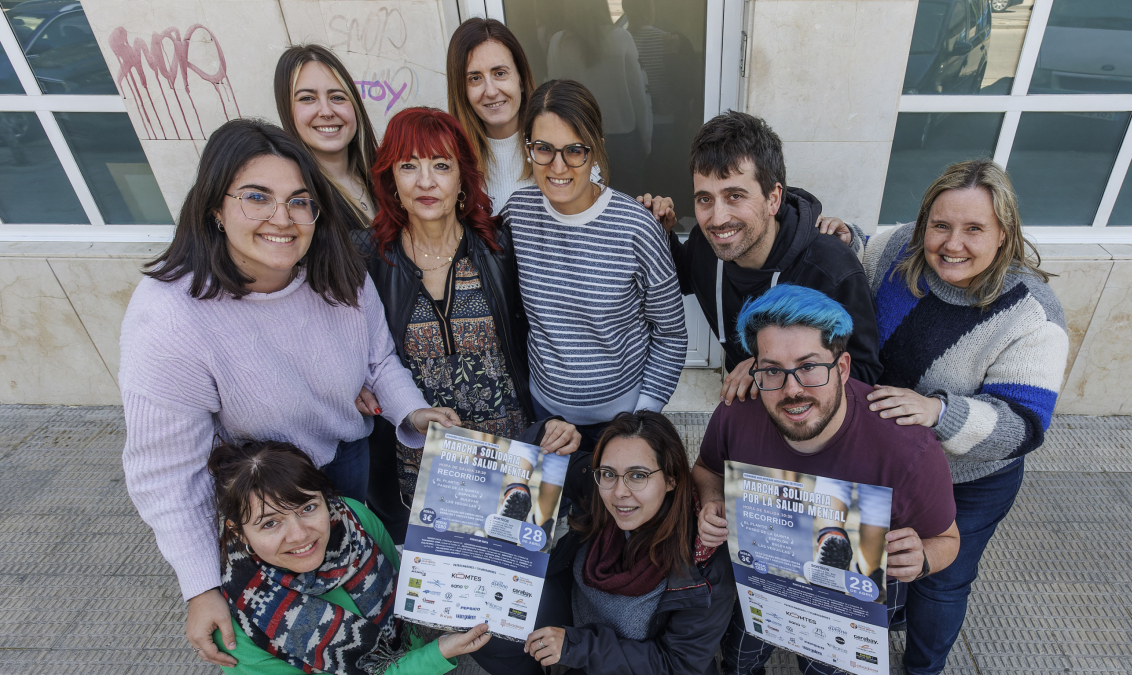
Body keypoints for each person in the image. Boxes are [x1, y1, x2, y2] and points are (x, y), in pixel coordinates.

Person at [119, 118, 459, 669]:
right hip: (261, 493)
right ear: (214, 205)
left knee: (360, 572)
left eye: (300, 201)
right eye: (258, 198)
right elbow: (165, 470)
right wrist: (201, 585)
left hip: (347, 458)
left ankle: (395, 653)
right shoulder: (169, 315)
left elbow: (378, 359)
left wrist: (412, 412)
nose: (283, 219)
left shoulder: (338, 269)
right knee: (288, 621)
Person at [861, 159, 1068, 675]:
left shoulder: (1032, 313)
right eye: (941, 226)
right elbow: (848, 296)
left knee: (940, 579)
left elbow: (1023, 426)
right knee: (882, 560)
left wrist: (938, 411)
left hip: (969, 481)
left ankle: (923, 668)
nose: (952, 244)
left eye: (974, 229)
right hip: (884, 462)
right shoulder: (893, 249)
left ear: (1004, 235)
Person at [691, 284, 960, 675]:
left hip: (849, 596)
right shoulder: (738, 413)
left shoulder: (907, 449)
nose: (792, 389)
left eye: (809, 366)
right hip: (763, 576)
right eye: (772, 370)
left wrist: (920, 560)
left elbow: (948, 540)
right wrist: (713, 502)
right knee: (738, 657)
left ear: (843, 367)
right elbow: (707, 469)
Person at [358, 106, 581, 539]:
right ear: (390, 178)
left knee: (511, 579)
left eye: (441, 166)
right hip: (420, 466)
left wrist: (652, 215)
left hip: (509, 456)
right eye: (409, 166)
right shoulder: (367, 257)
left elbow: (566, 288)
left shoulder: (499, 246)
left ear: (462, 177)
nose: (426, 181)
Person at [501, 79, 687, 443]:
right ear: (528, 150)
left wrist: (642, 417)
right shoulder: (516, 215)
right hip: (543, 417)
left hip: (621, 421)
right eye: (544, 148)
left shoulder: (637, 226)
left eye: (574, 150)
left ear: (597, 150)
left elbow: (672, 334)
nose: (557, 166)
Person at [651, 111, 883, 403]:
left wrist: (771, 370)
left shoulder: (830, 270)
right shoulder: (704, 244)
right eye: (704, 199)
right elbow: (684, 278)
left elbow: (864, 373)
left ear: (773, 199)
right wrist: (658, 233)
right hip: (747, 406)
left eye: (735, 195)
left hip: (805, 417)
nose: (718, 218)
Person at [209, 438, 491, 674]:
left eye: (308, 508)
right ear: (239, 533)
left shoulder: (353, 517)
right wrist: (434, 656)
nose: (300, 535)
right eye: (270, 523)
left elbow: (404, 589)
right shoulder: (238, 626)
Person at [522, 411, 736, 675]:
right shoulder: (599, 489)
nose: (620, 492)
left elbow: (680, 664)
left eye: (638, 475)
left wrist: (578, 648)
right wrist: (547, 430)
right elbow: (528, 457)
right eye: (609, 473)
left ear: (672, 478)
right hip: (573, 651)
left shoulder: (705, 560)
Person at [546, 0, 653, 193]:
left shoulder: (558, 43)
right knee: (627, 210)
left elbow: (553, 100)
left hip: (576, 140)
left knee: (585, 209)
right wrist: (646, 141)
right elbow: (640, 98)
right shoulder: (621, 38)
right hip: (623, 142)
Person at [275, 44, 378, 227]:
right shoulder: (296, 201)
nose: (326, 111)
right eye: (307, 98)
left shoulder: (387, 179)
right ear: (287, 111)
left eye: (337, 97)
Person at [446, 18, 538, 214]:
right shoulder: (449, 162)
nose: (490, 91)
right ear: (461, 90)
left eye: (500, 73)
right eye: (475, 78)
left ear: (521, 79)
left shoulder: (557, 146)